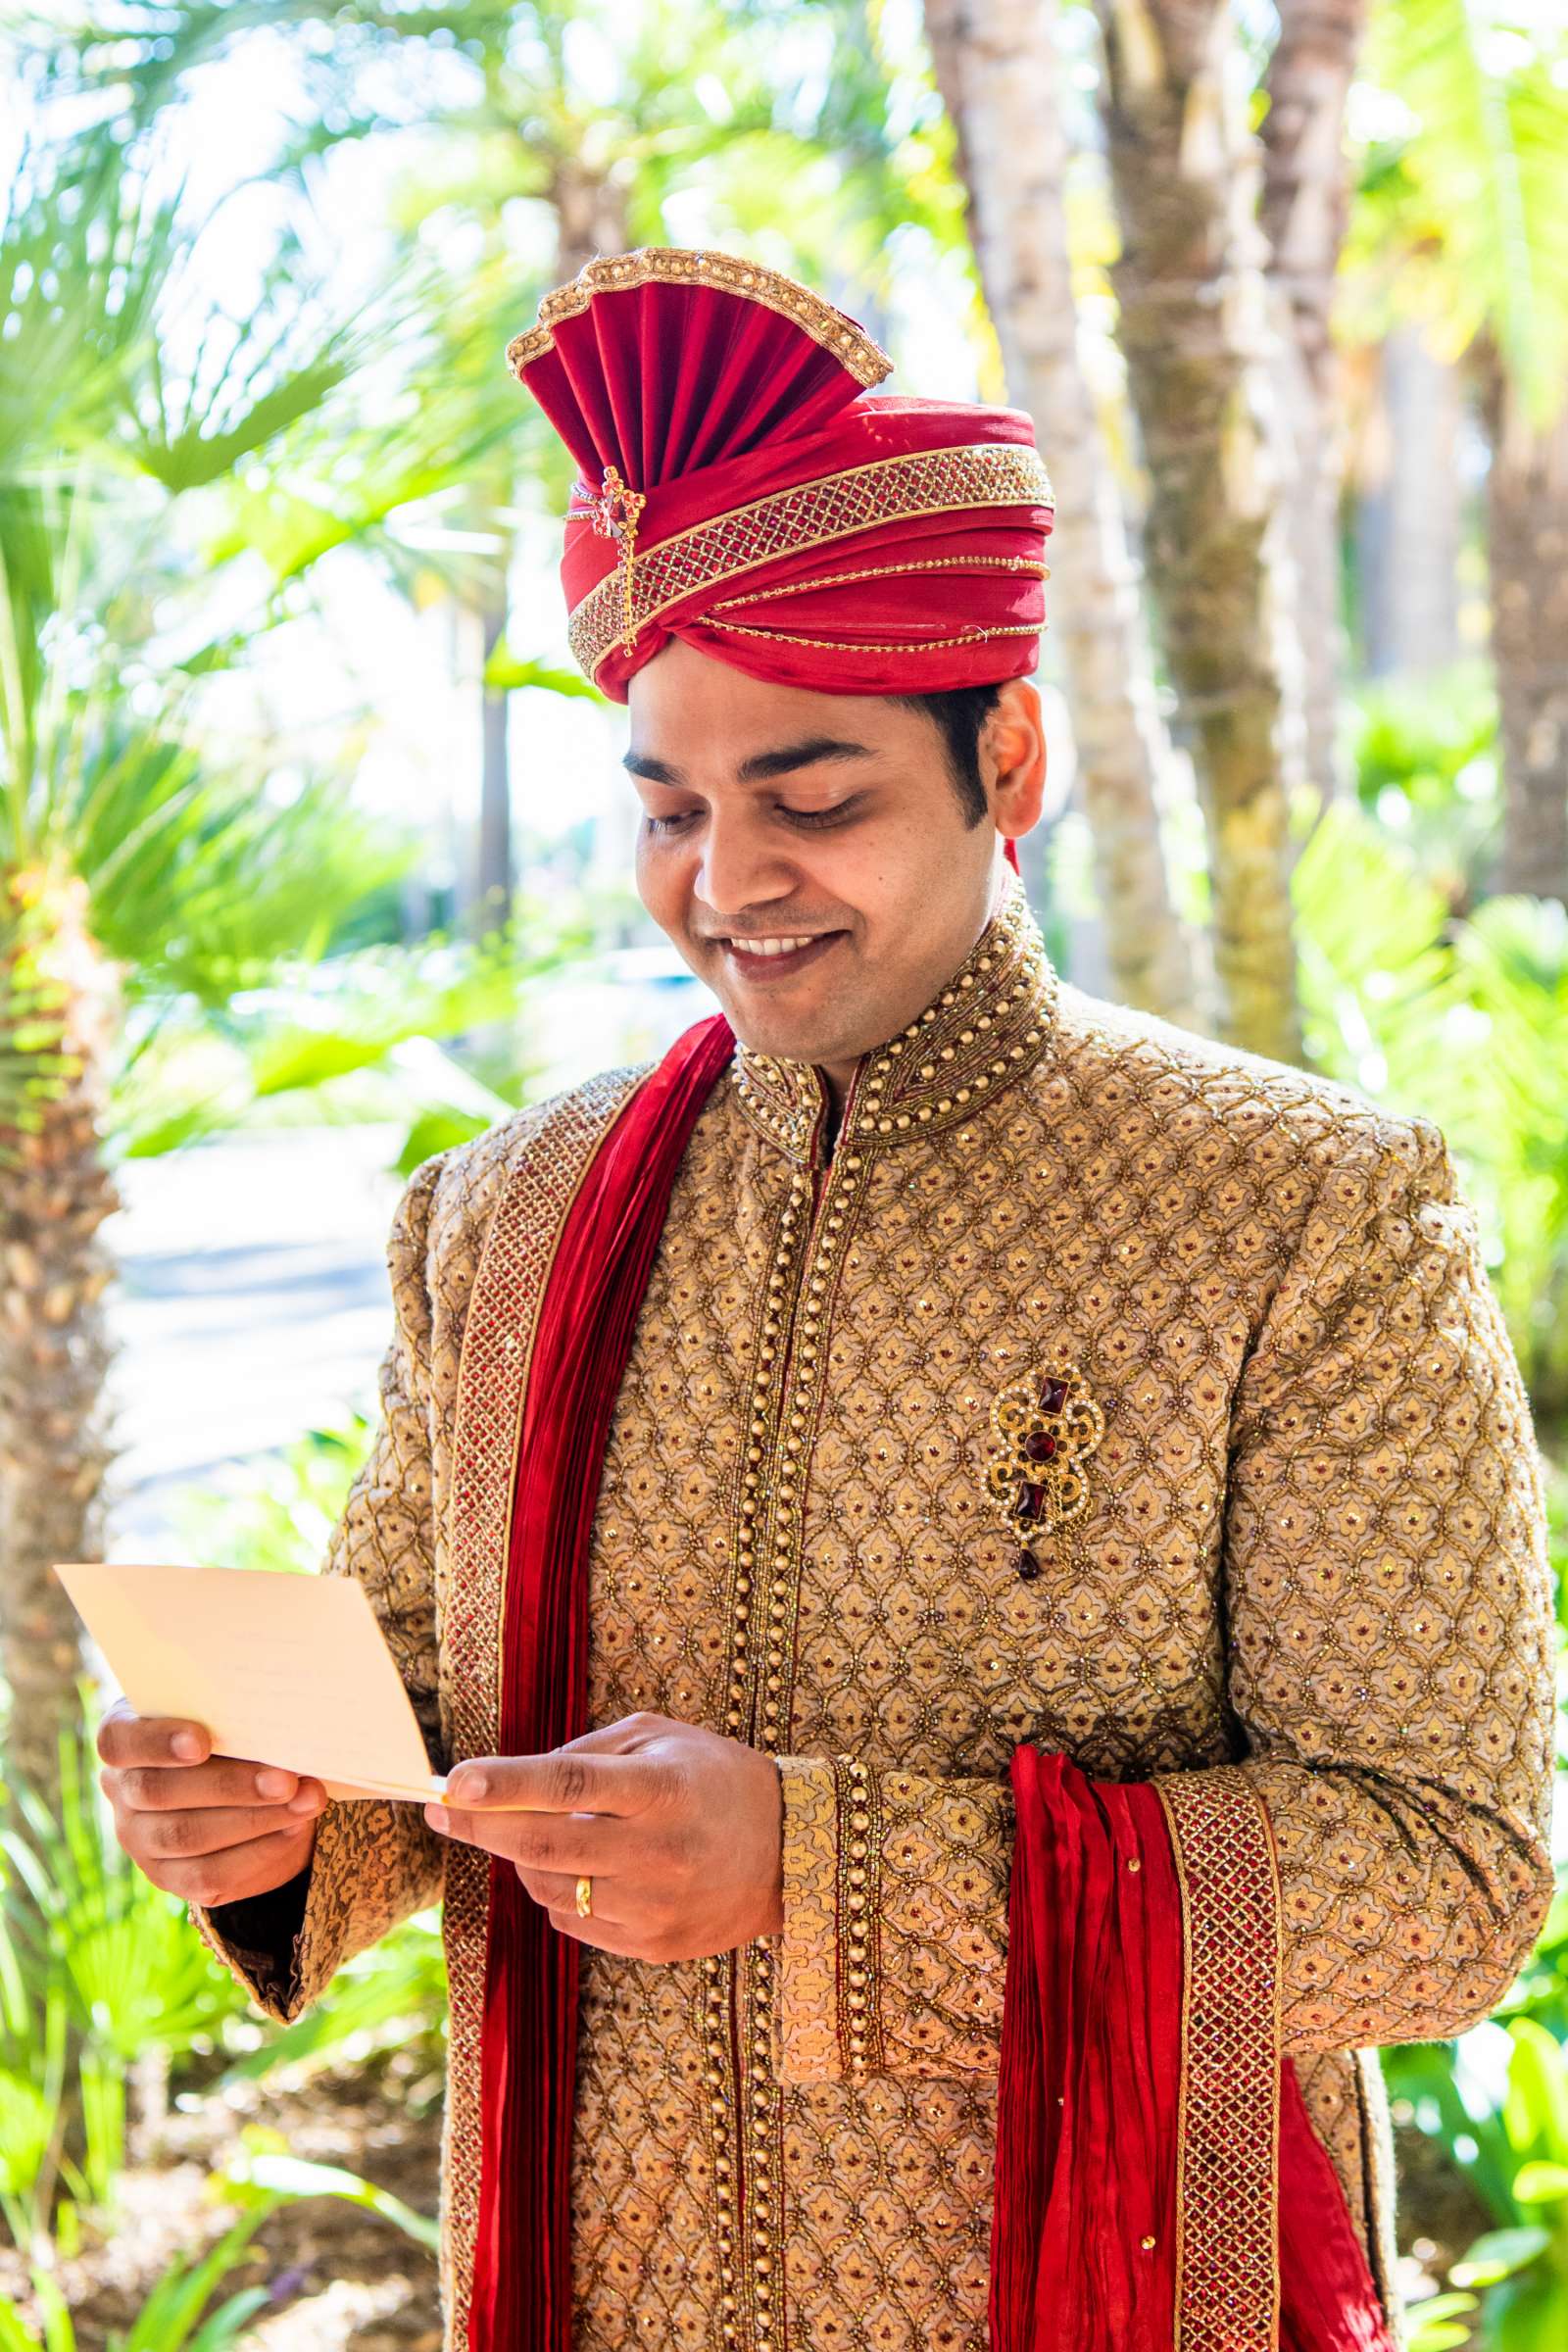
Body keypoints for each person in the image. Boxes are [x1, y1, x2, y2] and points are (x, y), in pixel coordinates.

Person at [100, 249, 1555, 2352]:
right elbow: (413, 1734)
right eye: (671, 811)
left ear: (1010, 759)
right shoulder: (499, 1221)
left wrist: (822, 1874)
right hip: (597, 2286)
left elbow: (1442, 1886)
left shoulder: (1295, 1216)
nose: (730, 883)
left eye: (816, 797)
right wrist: (265, 1820)